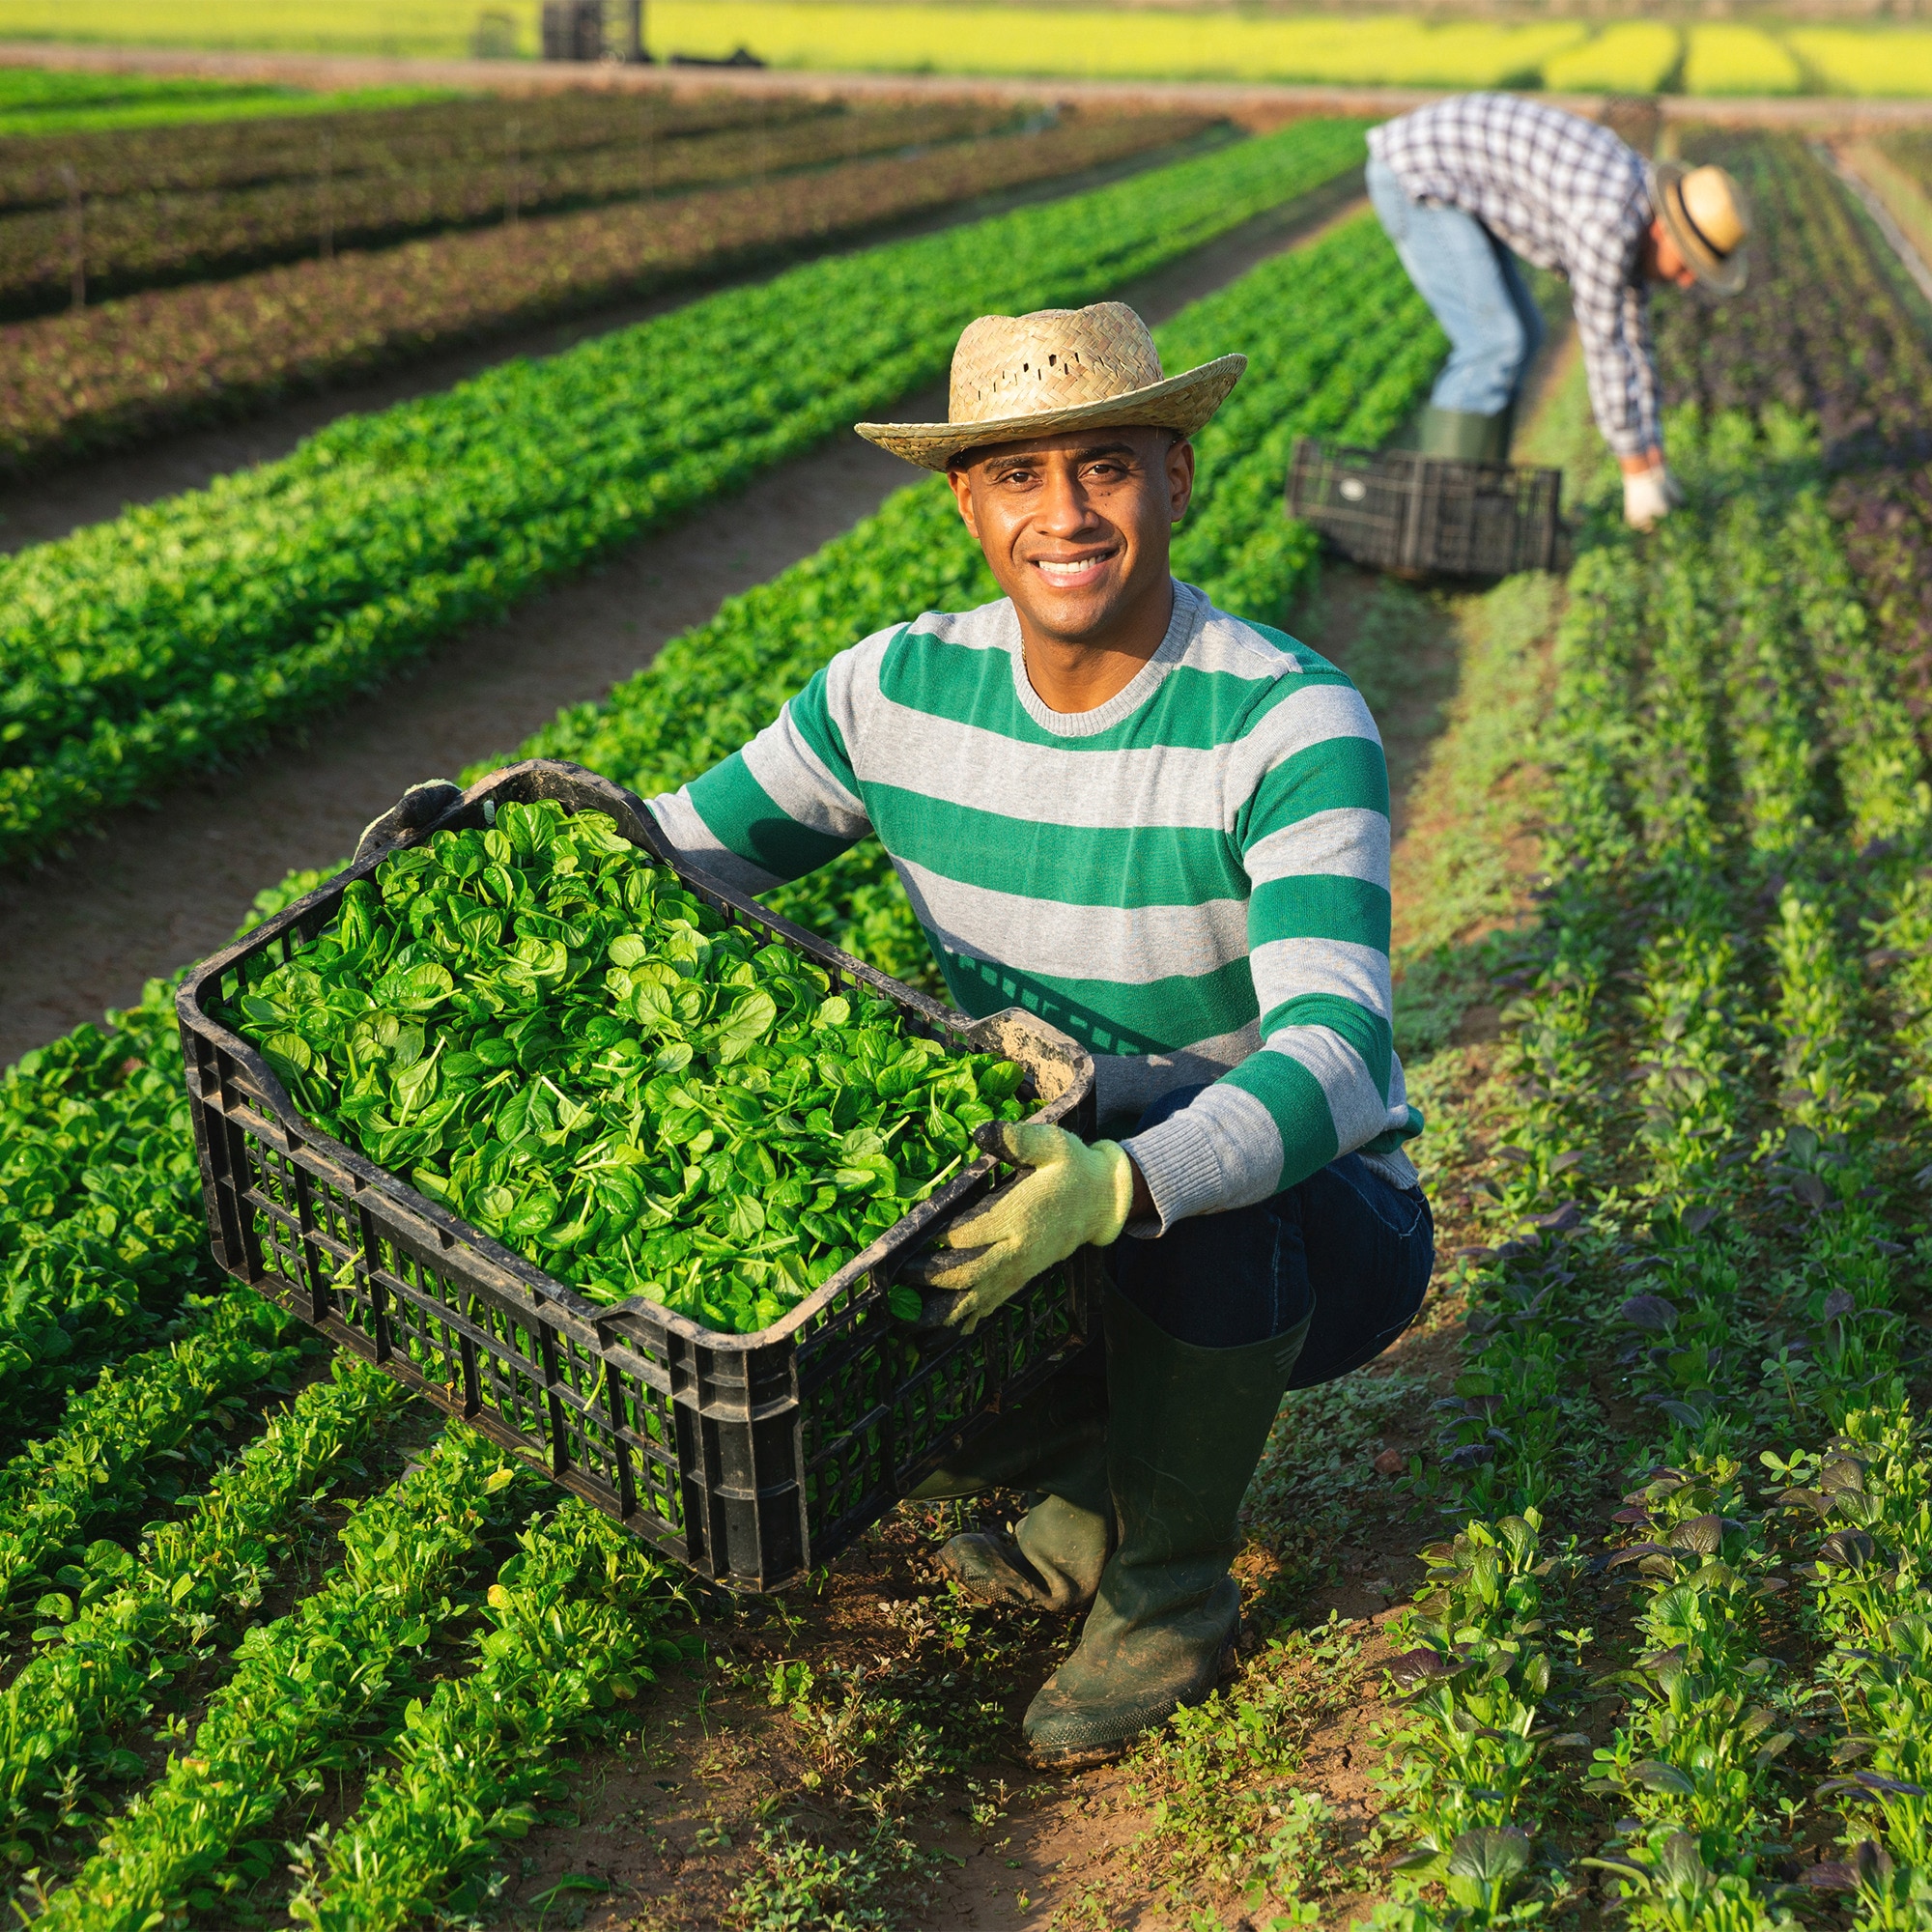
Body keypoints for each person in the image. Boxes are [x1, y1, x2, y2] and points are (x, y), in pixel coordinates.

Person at [643, 300, 1435, 1768]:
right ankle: (1087, 1482)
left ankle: (1167, 1595)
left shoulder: (1286, 720)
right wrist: (504, 845)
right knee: (856, 1154)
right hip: (1047, 1152)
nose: (1063, 514)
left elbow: (1333, 1052)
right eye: (1017, 474)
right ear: (966, 501)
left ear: (1178, 479)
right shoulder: (890, 694)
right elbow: (681, 859)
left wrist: (1118, 1190)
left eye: (1107, 467)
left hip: (1318, 1225)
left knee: (1153, 1130)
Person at [1365, 92, 1751, 530]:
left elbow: (1634, 344)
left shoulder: (1637, 211)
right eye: (1687, 264)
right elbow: (1606, 348)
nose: (1685, 281)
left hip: (1452, 174)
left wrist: (1654, 461)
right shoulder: (1608, 221)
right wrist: (1634, 473)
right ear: (1664, 229)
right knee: (1492, 344)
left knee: (1525, 334)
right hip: (1415, 174)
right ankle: (1435, 518)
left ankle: (1472, 500)